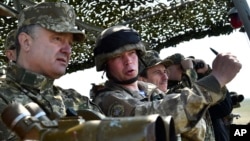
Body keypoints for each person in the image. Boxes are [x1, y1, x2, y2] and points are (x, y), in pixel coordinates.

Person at [92, 25, 242, 141]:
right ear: (105, 64)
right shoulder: (107, 99)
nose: (128, 61)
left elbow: (197, 123)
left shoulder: (151, 91)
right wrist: (215, 80)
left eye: (132, 53)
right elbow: (152, 119)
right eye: (118, 57)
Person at [0, 2, 103, 140]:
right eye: (57, 38)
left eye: (70, 44)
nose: (67, 51)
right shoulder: (3, 97)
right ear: (26, 42)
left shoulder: (77, 101)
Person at [166, 54, 233, 141]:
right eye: (179, 66)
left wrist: (207, 73)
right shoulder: (167, 91)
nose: (183, 70)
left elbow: (224, 108)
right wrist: (189, 70)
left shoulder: (195, 83)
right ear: (167, 70)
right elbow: (190, 98)